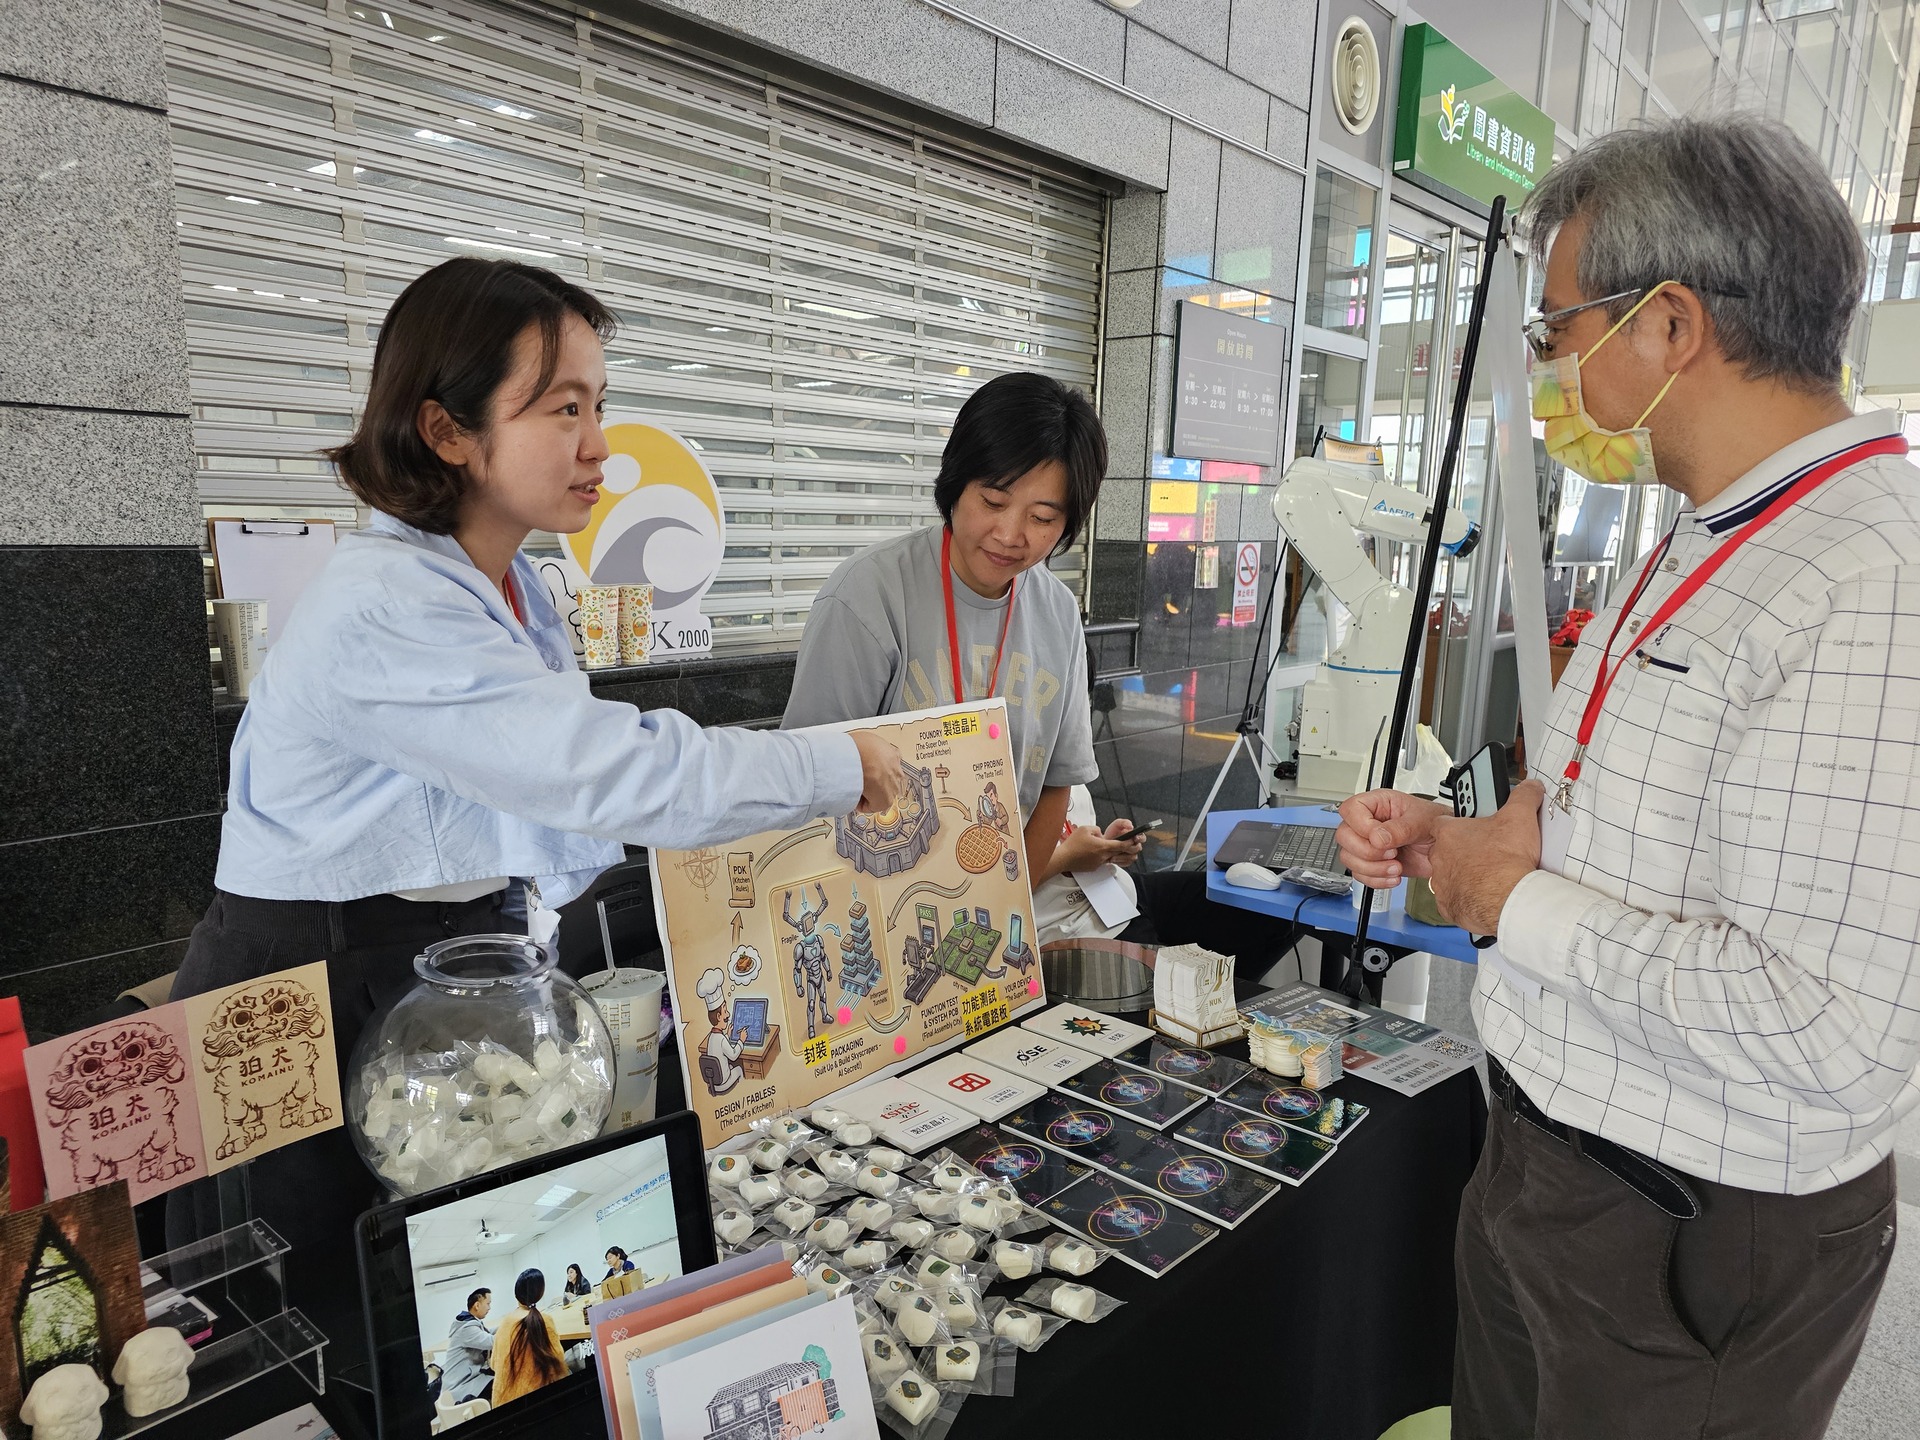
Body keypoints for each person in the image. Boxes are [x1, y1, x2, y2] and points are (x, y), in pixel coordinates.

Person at [166, 257, 904, 1332]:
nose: (600, 442)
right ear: (448, 429)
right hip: (309, 984)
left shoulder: (510, 586)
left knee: (467, 1297)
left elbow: (555, 807)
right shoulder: (389, 603)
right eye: (563, 407)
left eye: (599, 404)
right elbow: (615, 769)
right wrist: (840, 766)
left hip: (440, 958)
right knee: (322, 1321)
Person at [1335, 115, 1913, 1440]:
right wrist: (1458, 842)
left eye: (1557, 326)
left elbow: (1824, 1026)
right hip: (1560, 1160)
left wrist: (1509, 899)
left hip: (1690, 1235)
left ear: (1668, 326)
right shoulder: (1705, 534)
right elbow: (1622, 836)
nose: (1547, 365)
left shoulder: (1871, 589)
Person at [782, 371, 1106, 880]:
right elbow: (805, 780)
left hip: (999, 894)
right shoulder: (867, 598)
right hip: (873, 886)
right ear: (955, 485)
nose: (1009, 535)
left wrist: (1004, 898)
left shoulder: (1058, 613)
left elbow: (1055, 784)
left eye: (1042, 517)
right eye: (993, 502)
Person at [1034, 786, 1296, 976]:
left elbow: (1068, 839)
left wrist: (1105, 849)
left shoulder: (1063, 756)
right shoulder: (1000, 770)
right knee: (1184, 992)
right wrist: (1068, 857)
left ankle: (1229, 1000)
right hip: (1068, 927)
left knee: (1276, 911)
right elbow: (1000, 883)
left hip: (1118, 892)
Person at [487, 1270, 567, 1408]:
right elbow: (558, 1359)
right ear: (540, 1293)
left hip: (501, 1406)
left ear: (516, 1294)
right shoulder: (544, 1320)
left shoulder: (505, 1322)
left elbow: (494, 1364)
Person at [442, 1288, 493, 1405]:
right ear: (477, 1305)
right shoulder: (467, 1329)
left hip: (465, 1379)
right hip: (460, 1387)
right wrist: (511, 1330)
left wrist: (506, 1326)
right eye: (488, 1303)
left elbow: (488, 1333)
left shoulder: (467, 1322)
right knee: (501, 1384)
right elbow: (491, 1341)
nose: (489, 1308)